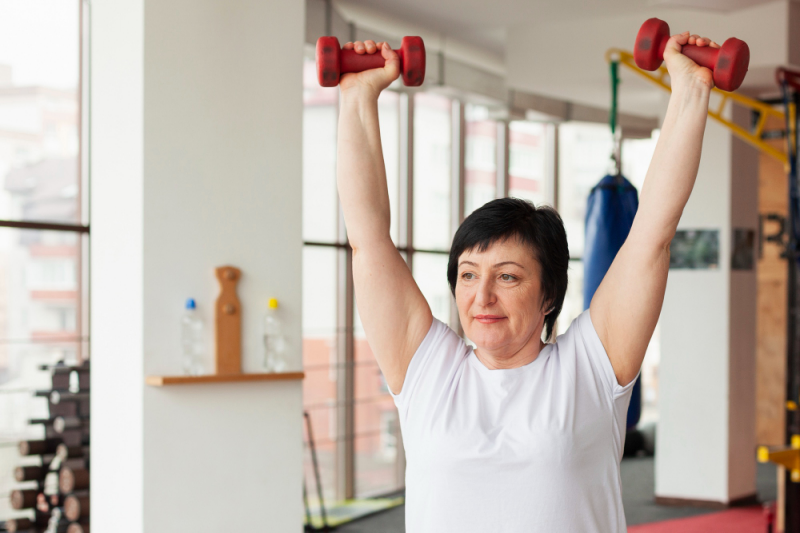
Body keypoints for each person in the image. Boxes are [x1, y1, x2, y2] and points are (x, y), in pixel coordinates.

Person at [336, 32, 717, 533]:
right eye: (468, 275)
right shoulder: (427, 370)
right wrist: (357, 96)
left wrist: (689, 90)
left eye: (508, 276)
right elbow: (368, 240)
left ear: (549, 295)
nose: (482, 296)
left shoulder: (589, 369)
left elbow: (652, 235)